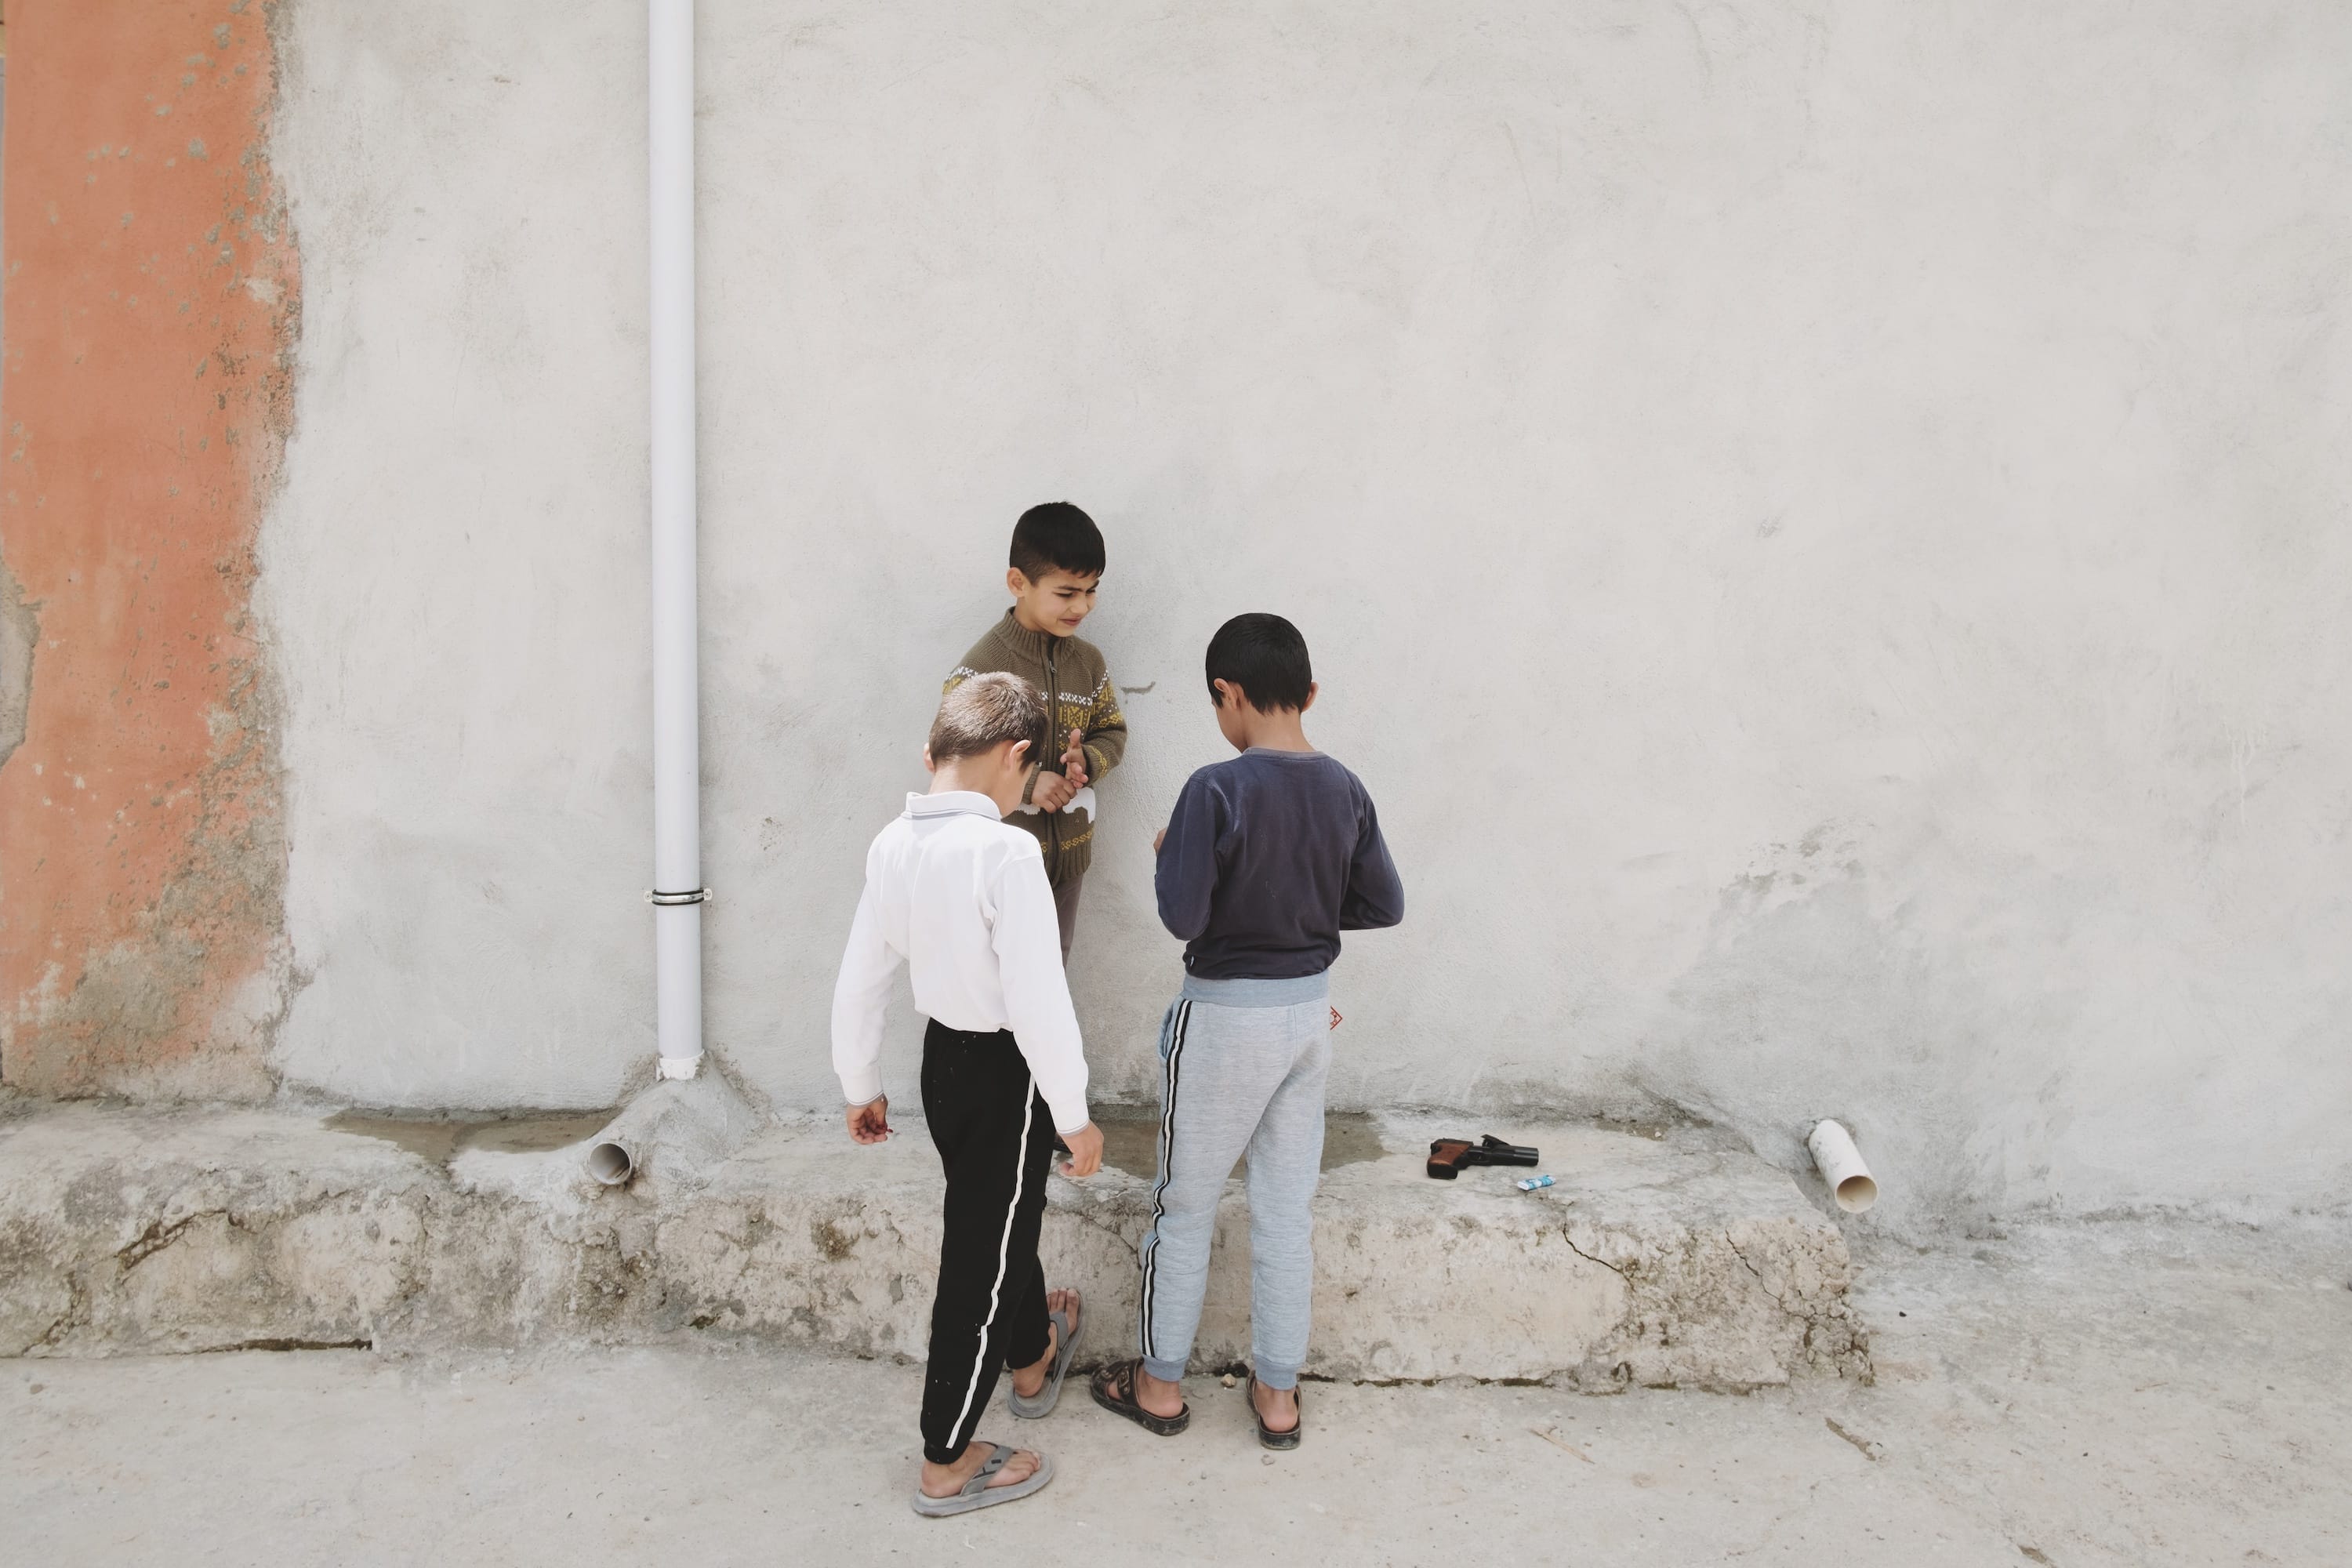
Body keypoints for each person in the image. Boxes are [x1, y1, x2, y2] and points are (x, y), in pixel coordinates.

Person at [1090, 614, 1405, 1450]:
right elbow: (1383, 903)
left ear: (1227, 693)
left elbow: (1183, 912)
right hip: (1309, 1016)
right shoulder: (1346, 787)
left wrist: (1171, 854)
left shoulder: (1214, 789)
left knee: (1185, 1204)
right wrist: (1299, 901)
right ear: (1308, 693)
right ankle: (1277, 1396)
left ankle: (1159, 1384)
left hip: (1226, 1018)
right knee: (1284, 1209)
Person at [830, 672, 1107, 1516]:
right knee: (980, 1256)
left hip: (940, 1065)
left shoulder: (891, 844)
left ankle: (1031, 1360)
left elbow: (861, 977)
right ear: (1020, 756)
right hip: (1006, 1074)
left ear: (932, 754)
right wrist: (1074, 1112)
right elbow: (1038, 1001)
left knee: (996, 1214)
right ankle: (946, 1457)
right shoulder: (1008, 851)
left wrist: (860, 1083)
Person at [942, 502, 1128, 963]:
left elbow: (1112, 732)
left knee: (1049, 970)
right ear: (1018, 583)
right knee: (991, 980)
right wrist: (1028, 783)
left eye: (1090, 591)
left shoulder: (1089, 664)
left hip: (1069, 862)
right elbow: (952, 763)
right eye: (1067, 593)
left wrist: (1088, 760)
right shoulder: (982, 668)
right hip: (998, 863)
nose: (1082, 606)